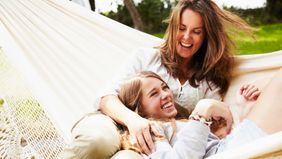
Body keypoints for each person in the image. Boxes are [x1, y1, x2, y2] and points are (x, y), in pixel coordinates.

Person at [61, 0, 252, 158]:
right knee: (97, 142)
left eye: (196, 31)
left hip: (158, 143)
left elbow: (211, 131)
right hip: (112, 120)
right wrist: (133, 121)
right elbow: (106, 97)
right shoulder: (146, 57)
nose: (186, 37)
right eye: (182, 28)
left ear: (206, 36)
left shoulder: (209, 80)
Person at [116, 70, 282, 159]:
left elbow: (218, 144)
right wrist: (202, 112)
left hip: (233, 147)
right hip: (232, 151)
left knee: (262, 85)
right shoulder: (150, 131)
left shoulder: (178, 123)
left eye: (165, 87)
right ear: (139, 109)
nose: (166, 94)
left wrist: (244, 110)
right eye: (154, 93)